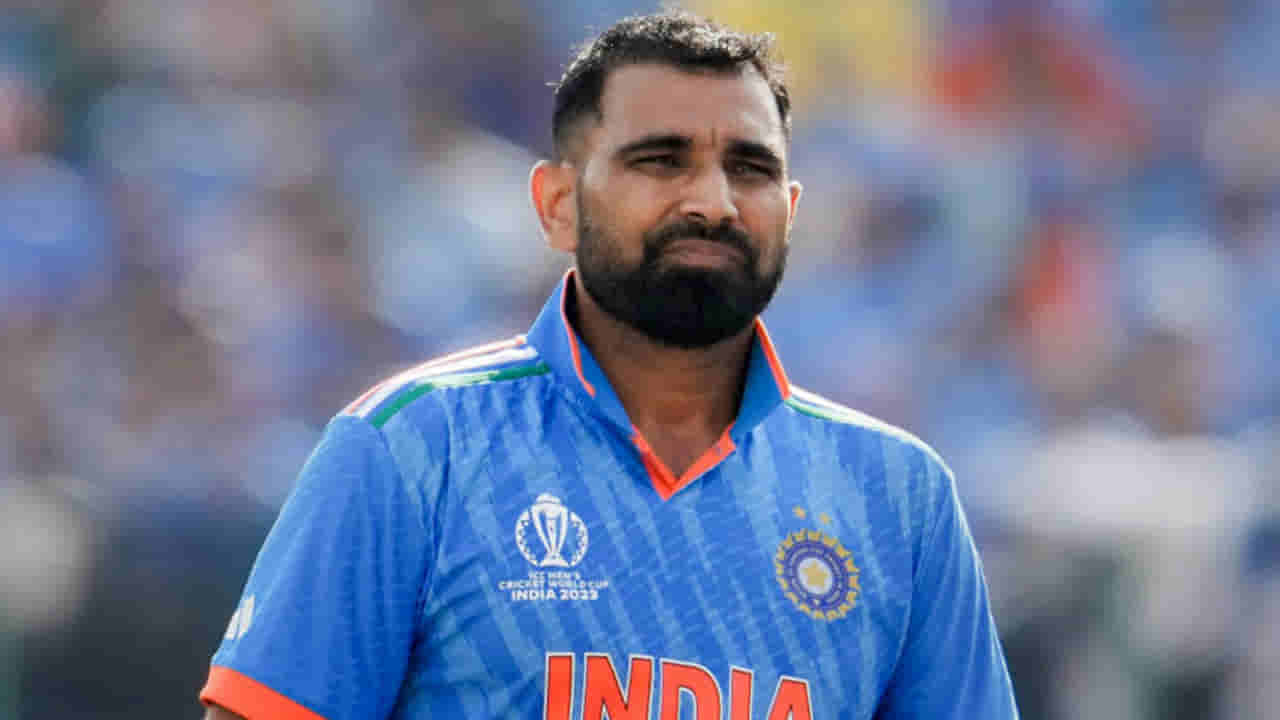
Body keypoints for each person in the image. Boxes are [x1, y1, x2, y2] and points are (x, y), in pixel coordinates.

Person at [200, 11, 1020, 720]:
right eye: (661, 161)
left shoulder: (898, 496)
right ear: (558, 205)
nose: (713, 202)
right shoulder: (414, 447)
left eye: (751, 168)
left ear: (791, 210)